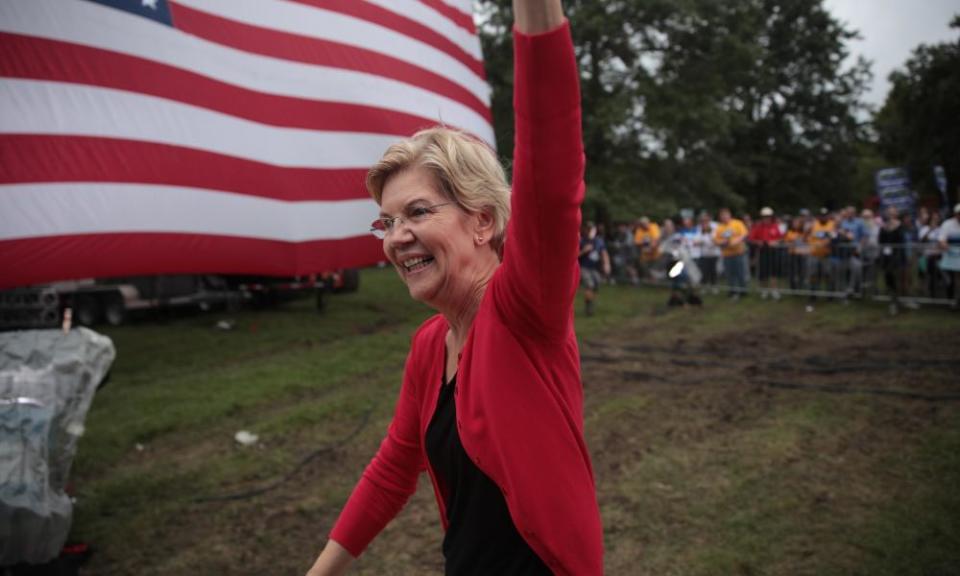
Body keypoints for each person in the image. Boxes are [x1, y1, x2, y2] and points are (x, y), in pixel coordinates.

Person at [305, 3, 604, 575]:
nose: (398, 237)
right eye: (387, 222)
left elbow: (552, 164)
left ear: (483, 221)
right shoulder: (428, 346)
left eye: (417, 211)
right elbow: (395, 466)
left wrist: (536, 13)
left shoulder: (522, 311)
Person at [748, 206, 784, 299]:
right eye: (764, 216)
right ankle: (764, 290)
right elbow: (751, 239)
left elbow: (780, 238)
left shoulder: (775, 226)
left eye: (768, 216)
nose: (766, 218)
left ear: (771, 217)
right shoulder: (758, 226)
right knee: (763, 272)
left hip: (773, 251)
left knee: (773, 272)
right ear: (762, 217)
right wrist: (758, 242)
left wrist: (775, 242)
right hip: (762, 252)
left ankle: (774, 290)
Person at [713, 208, 749, 299]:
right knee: (730, 274)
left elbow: (744, 234)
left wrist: (735, 241)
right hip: (727, 254)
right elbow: (715, 240)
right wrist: (722, 242)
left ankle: (743, 291)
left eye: (726, 215)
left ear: (730, 215)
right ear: (720, 217)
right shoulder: (719, 227)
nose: (724, 217)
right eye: (722, 215)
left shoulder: (737, 223)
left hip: (739, 253)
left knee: (741, 272)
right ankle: (732, 290)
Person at [878, 207, 908, 314]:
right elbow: (880, 241)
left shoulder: (901, 226)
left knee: (898, 278)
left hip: (898, 257)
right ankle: (893, 299)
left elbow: (901, 241)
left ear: (896, 214)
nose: (890, 215)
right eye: (889, 213)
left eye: (893, 213)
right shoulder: (883, 226)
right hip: (886, 257)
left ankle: (899, 300)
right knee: (888, 277)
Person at [579, 221, 611, 315]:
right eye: (588, 229)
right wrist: (584, 251)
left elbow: (604, 253)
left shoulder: (598, 241)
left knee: (596, 285)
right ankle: (588, 308)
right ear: (585, 230)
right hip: (584, 267)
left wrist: (606, 264)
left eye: (592, 229)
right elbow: (573, 256)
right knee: (589, 285)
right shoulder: (581, 241)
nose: (590, 231)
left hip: (595, 268)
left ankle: (591, 302)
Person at [939, 203, 960, 306]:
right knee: (951, 281)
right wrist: (945, 245)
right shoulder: (947, 224)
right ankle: (952, 301)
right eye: (958, 213)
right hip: (950, 257)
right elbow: (942, 240)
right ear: (955, 214)